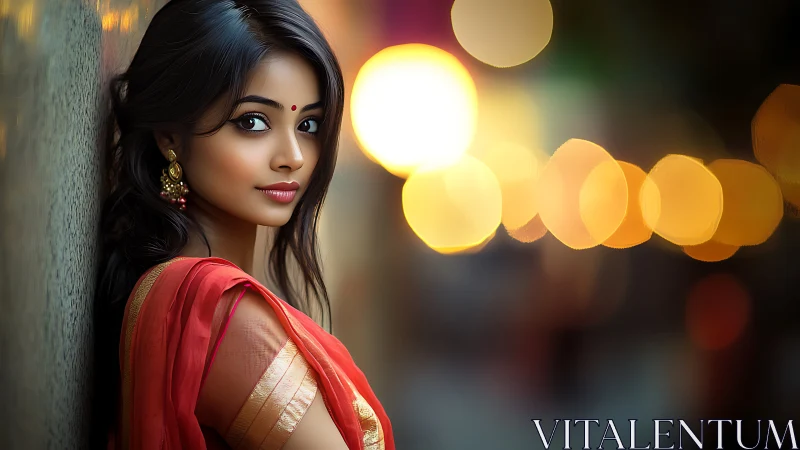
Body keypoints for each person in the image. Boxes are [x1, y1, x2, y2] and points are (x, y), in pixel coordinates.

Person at [91, 1, 394, 448]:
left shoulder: (175, 291)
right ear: (170, 135)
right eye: (253, 122)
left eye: (308, 124)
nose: (292, 156)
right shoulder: (216, 311)